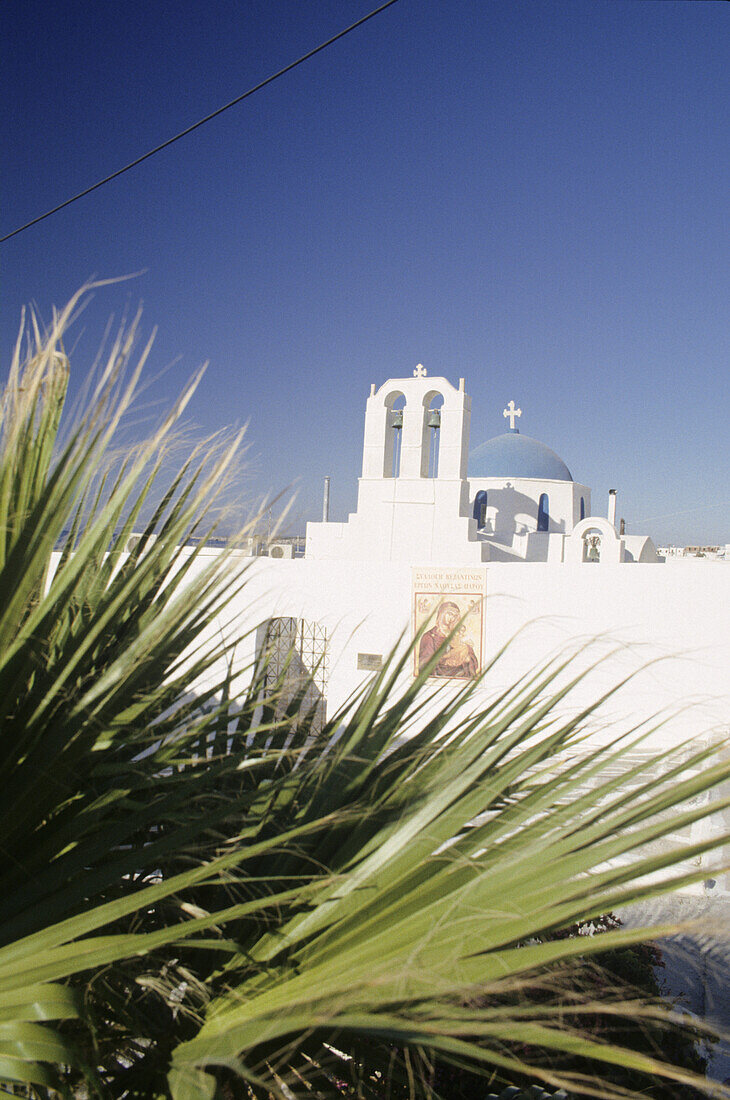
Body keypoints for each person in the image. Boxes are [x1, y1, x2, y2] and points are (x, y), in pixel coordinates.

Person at [417, 601, 479, 679]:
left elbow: (472, 660)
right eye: (449, 614)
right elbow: (424, 664)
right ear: (441, 614)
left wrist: (466, 656)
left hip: (459, 678)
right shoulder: (429, 637)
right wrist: (443, 659)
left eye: (454, 616)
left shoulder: (458, 635)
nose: (452, 618)